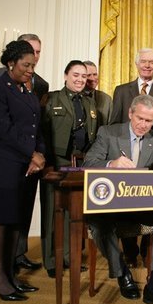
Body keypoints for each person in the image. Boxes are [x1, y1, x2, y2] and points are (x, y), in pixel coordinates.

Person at [83, 95, 153, 304]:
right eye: (139, 118)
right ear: (130, 114)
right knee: (96, 219)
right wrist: (112, 163)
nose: (143, 125)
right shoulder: (108, 133)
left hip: (141, 207)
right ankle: (122, 273)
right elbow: (89, 162)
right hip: (111, 206)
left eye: (149, 121)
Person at [0, 40, 45, 301]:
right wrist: (32, 153)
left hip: (24, 163)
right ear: (10, 63)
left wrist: (39, 155)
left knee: (16, 218)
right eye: (26, 65)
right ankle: (0, 279)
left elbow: (36, 128)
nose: (31, 69)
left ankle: (10, 275)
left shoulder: (27, 91)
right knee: (0, 218)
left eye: (33, 65)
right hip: (0, 159)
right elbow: (0, 127)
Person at [110, 47, 153, 267]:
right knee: (125, 207)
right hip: (125, 156)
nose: (147, 65)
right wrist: (116, 156)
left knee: (149, 207)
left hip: (152, 157)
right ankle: (130, 251)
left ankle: (147, 250)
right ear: (136, 64)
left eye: (151, 62)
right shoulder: (122, 90)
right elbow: (113, 124)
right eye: (143, 61)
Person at [41, 60, 98, 277]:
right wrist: (46, 162)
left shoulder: (89, 102)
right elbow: (43, 133)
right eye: (76, 75)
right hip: (57, 162)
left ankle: (70, 257)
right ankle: (52, 261)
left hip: (80, 164)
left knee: (75, 213)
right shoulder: (52, 98)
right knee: (53, 212)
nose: (80, 79)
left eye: (84, 76)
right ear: (66, 75)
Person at [82, 60, 113, 126]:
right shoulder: (74, 97)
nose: (93, 78)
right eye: (89, 75)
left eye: (95, 74)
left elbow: (111, 128)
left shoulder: (107, 100)